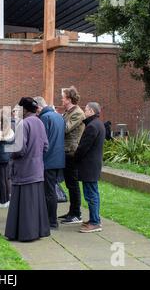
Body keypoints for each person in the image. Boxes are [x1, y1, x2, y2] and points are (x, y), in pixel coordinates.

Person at [5, 97, 50, 242]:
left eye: (19, 109)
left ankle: (25, 234)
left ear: (24, 110)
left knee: (24, 204)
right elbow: (45, 147)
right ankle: (36, 232)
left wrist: (9, 150)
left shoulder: (23, 124)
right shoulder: (40, 122)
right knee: (34, 204)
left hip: (24, 171)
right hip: (37, 170)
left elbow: (19, 150)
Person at [74, 102, 106, 233]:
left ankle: (95, 222)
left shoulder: (92, 126)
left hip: (89, 166)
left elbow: (83, 147)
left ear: (92, 111)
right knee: (93, 193)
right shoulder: (99, 124)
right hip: (93, 165)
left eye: (86, 110)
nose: (84, 111)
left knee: (91, 194)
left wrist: (75, 157)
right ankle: (94, 218)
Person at [35, 96, 65, 229]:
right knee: (51, 190)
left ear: (39, 107)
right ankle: (50, 219)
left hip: (48, 159)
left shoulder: (44, 118)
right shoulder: (59, 116)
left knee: (49, 192)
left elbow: (42, 140)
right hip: (58, 158)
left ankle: (51, 221)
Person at [60, 86, 85, 225]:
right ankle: (72, 212)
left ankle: (76, 214)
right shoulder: (67, 112)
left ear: (69, 99)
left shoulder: (78, 113)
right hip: (65, 152)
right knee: (70, 184)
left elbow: (65, 128)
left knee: (73, 184)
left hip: (71, 152)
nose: (62, 100)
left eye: (63, 97)